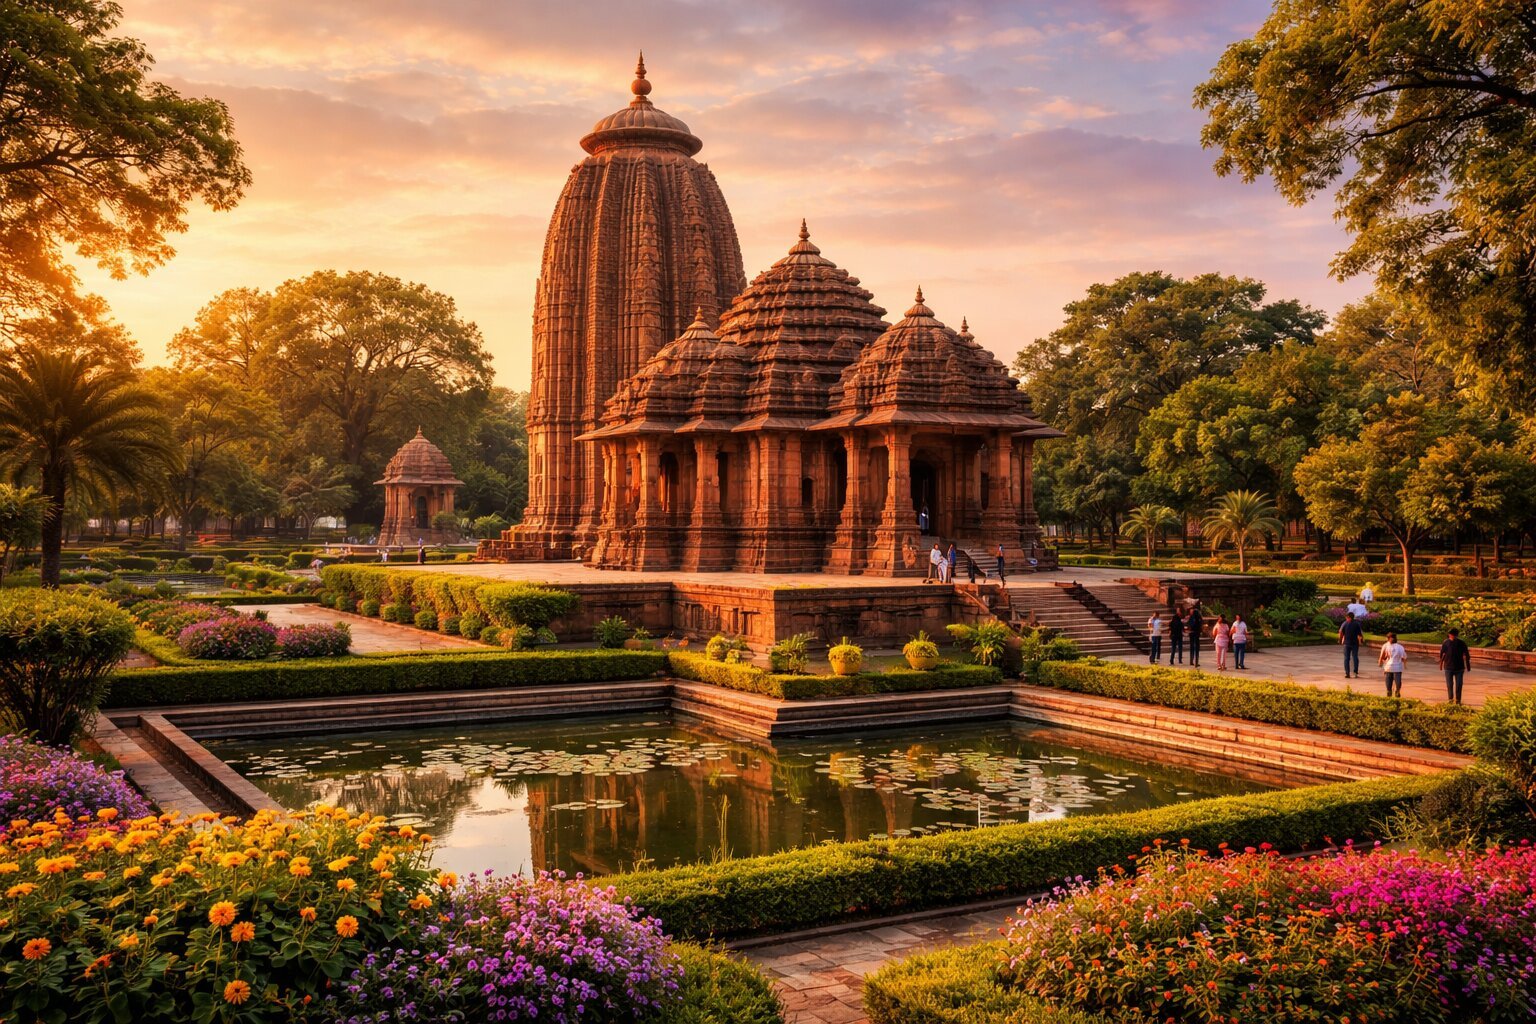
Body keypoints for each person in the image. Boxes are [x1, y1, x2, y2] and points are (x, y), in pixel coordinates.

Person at [1438, 628, 1472, 704]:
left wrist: (1468, 666)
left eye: (1453, 635)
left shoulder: (1461, 643)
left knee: (1459, 685)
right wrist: (1441, 663)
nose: (1452, 636)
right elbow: (1442, 653)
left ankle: (1458, 701)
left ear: (1456, 635)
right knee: (1449, 685)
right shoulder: (1446, 643)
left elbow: (1466, 654)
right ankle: (1450, 700)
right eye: (1450, 634)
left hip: (1459, 668)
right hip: (1448, 667)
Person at [1378, 632, 1407, 697]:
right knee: (1397, 681)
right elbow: (1404, 657)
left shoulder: (1385, 645)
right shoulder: (1400, 647)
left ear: (1389, 638)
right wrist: (1404, 665)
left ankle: (1390, 692)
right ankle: (1397, 691)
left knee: (1389, 681)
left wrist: (1380, 662)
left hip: (1389, 667)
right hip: (1396, 667)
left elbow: (1381, 656)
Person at [1338, 611, 1365, 678]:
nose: (1346, 618)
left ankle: (1347, 673)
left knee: (1347, 658)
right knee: (1354, 657)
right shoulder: (1357, 624)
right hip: (1355, 643)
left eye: (1347, 617)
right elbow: (1360, 634)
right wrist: (1361, 640)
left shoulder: (1344, 623)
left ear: (1349, 617)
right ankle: (1355, 672)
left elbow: (1341, 632)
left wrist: (1340, 640)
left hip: (1347, 644)